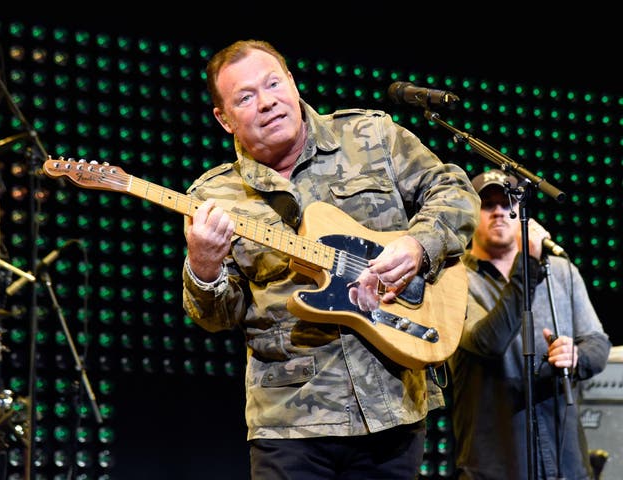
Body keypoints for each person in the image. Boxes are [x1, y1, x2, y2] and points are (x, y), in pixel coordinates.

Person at [181, 39, 480, 479]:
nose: (267, 102)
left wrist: (419, 245)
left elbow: (454, 191)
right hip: (289, 423)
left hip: (392, 405)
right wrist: (203, 268)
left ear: (293, 83)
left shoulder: (371, 136)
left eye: (273, 83)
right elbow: (219, 317)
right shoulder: (211, 197)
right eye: (246, 98)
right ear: (224, 119)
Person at [447, 169, 612, 480]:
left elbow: (598, 343)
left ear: (521, 213)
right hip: (496, 465)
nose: (498, 212)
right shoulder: (454, 279)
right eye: (487, 204)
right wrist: (527, 268)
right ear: (471, 214)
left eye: (507, 203)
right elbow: (487, 342)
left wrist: (575, 355)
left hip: (566, 463)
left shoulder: (562, 272)